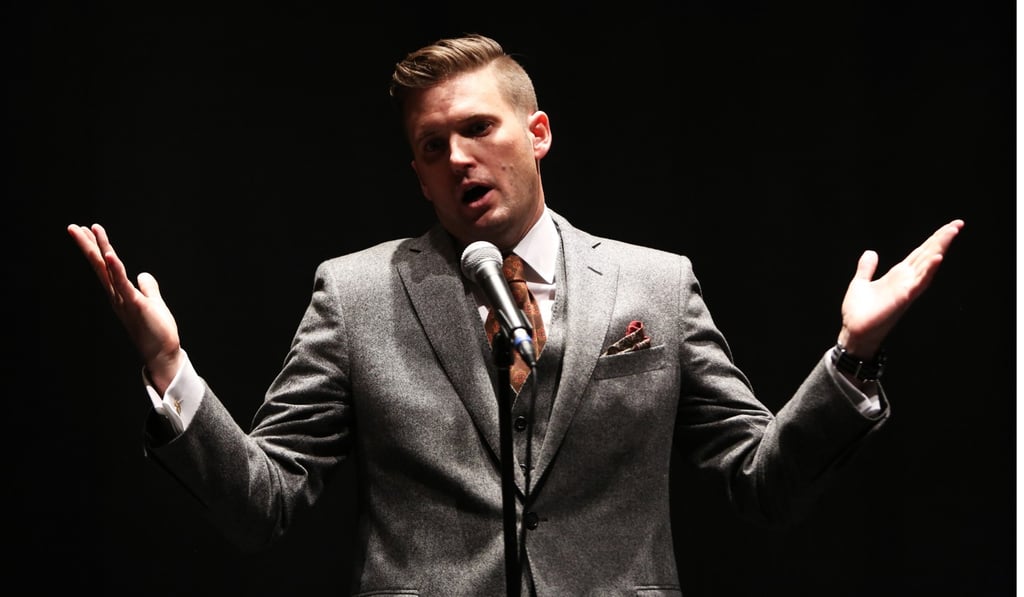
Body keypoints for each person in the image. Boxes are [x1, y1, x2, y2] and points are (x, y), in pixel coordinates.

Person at [67, 33, 964, 596]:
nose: (457, 157)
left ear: (536, 133)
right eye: (431, 146)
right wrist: (167, 370)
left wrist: (850, 357)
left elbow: (760, 479)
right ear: (416, 174)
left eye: (478, 129)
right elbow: (263, 502)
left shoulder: (654, 285)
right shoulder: (356, 294)